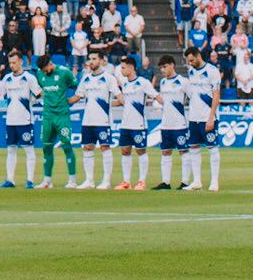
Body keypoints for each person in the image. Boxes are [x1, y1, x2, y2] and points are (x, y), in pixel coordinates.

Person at [34, 54, 79, 189]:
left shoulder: (65, 73)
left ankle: (72, 180)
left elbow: (79, 87)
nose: (44, 72)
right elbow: (39, 90)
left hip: (62, 116)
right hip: (47, 116)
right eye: (42, 70)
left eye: (45, 69)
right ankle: (47, 181)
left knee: (66, 146)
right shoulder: (39, 74)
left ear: (50, 63)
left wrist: (72, 100)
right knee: (46, 147)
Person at [0, 51, 41, 189]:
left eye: (14, 62)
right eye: (10, 63)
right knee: (11, 150)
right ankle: (10, 180)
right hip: (11, 120)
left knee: (29, 149)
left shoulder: (29, 78)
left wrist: (31, 102)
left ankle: (30, 180)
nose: (12, 65)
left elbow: (39, 94)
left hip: (25, 120)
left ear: (21, 62)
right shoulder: (7, 78)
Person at [182, 47, 223, 192]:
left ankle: (214, 181)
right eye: (188, 61)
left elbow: (216, 95)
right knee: (193, 148)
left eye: (192, 60)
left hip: (207, 117)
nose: (190, 63)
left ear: (198, 56)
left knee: (212, 148)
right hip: (194, 117)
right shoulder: (191, 71)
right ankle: (197, 181)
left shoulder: (212, 71)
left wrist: (211, 117)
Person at [74, 52, 116, 189]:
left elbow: (118, 95)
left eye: (94, 59)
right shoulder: (85, 79)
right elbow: (78, 96)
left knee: (105, 147)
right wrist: (62, 101)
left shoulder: (109, 78)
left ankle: (106, 181)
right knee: (87, 148)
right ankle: (89, 180)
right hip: (87, 120)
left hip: (103, 120)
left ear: (102, 61)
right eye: (89, 59)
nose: (91, 62)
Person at [111, 59, 155, 191]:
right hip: (125, 124)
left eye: (123, 68)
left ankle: (142, 181)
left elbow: (155, 95)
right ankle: (126, 182)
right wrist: (110, 104)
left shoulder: (143, 82)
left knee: (141, 151)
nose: (122, 71)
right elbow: (124, 101)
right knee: (125, 151)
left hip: (139, 124)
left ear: (131, 68)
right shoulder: (124, 83)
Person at [153, 54, 190, 192]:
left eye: (165, 67)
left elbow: (192, 97)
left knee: (184, 152)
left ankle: (185, 182)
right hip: (165, 124)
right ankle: (165, 182)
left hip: (179, 124)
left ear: (172, 65)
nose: (163, 70)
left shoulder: (183, 81)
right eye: (161, 68)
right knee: (165, 152)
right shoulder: (163, 83)